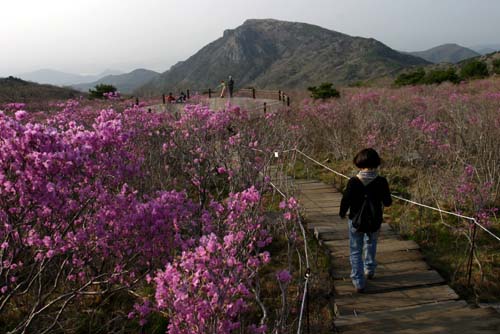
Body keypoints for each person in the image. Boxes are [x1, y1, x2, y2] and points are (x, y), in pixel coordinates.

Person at [339, 148, 392, 293]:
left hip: (356, 221)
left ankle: (358, 281)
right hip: (375, 221)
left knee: (355, 250)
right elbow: (388, 202)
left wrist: (342, 213)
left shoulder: (354, 181)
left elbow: (346, 200)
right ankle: (369, 269)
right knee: (371, 244)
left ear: (359, 163)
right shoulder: (381, 181)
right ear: (376, 163)